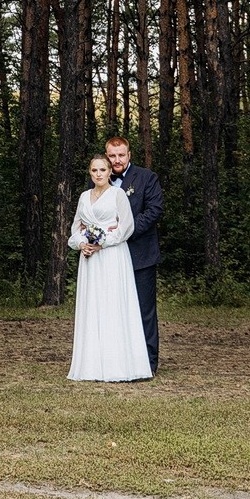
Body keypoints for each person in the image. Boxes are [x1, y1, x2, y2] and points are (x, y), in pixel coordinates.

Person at [67, 155, 153, 382]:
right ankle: (92, 365)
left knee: (113, 304)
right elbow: (75, 229)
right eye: (94, 170)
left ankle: (119, 365)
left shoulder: (118, 195)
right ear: (90, 172)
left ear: (109, 172)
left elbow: (126, 228)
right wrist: (82, 244)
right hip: (90, 262)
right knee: (93, 306)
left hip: (113, 256)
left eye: (103, 170)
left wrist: (101, 242)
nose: (98, 174)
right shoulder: (84, 197)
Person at [103, 136, 162, 373]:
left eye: (121, 155)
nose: (116, 160)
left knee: (144, 310)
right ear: (106, 156)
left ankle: (148, 363)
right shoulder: (99, 179)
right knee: (114, 308)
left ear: (129, 156)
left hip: (140, 254)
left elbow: (154, 210)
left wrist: (125, 230)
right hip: (109, 257)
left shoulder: (147, 177)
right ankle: (118, 360)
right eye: (112, 156)